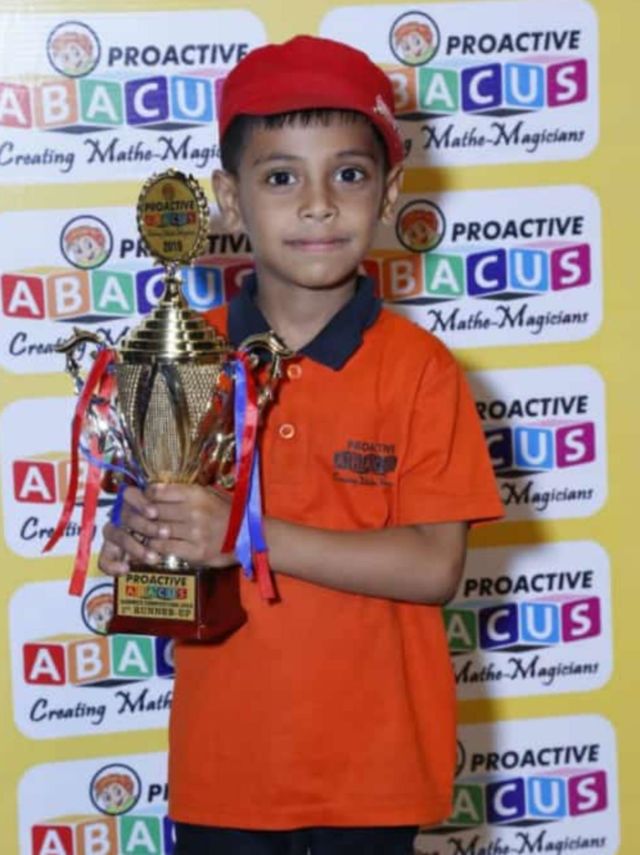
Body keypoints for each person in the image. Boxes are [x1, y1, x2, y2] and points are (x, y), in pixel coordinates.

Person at [98, 35, 503, 855]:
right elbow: (158, 556)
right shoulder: (185, 356)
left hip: (376, 773)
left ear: (389, 192)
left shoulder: (422, 370)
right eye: (281, 177)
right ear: (229, 199)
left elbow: (434, 566)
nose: (317, 204)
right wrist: (141, 544)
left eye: (347, 174)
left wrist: (242, 530)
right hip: (225, 770)